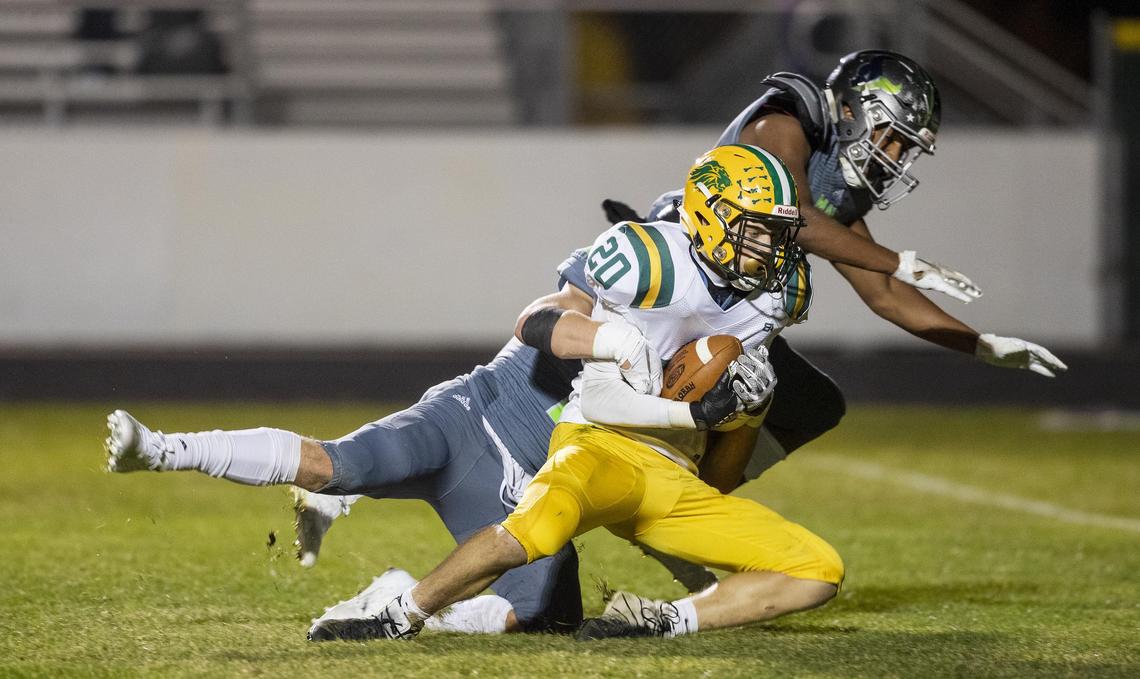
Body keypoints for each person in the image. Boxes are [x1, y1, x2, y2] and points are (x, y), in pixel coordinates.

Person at [307, 144, 845, 643]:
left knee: (818, 570)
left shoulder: (778, 296)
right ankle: (398, 613)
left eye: (776, 231)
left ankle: (657, 621)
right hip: (599, 441)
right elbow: (546, 322)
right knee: (530, 533)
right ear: (707, 218)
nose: (770, 246)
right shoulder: (646, 260)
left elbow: (719, 480)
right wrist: (647, 371)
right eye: (756, 230)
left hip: (673, 472)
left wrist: (746, 415)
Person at [103, 250, 663, 635]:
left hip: (519, 488)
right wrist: (614, 341)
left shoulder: (722, 339)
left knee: (542, 618)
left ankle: (396, 592)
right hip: (469, 416)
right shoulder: (631, 260)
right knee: (330, 464)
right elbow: (548, 313)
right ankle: (159, 449)